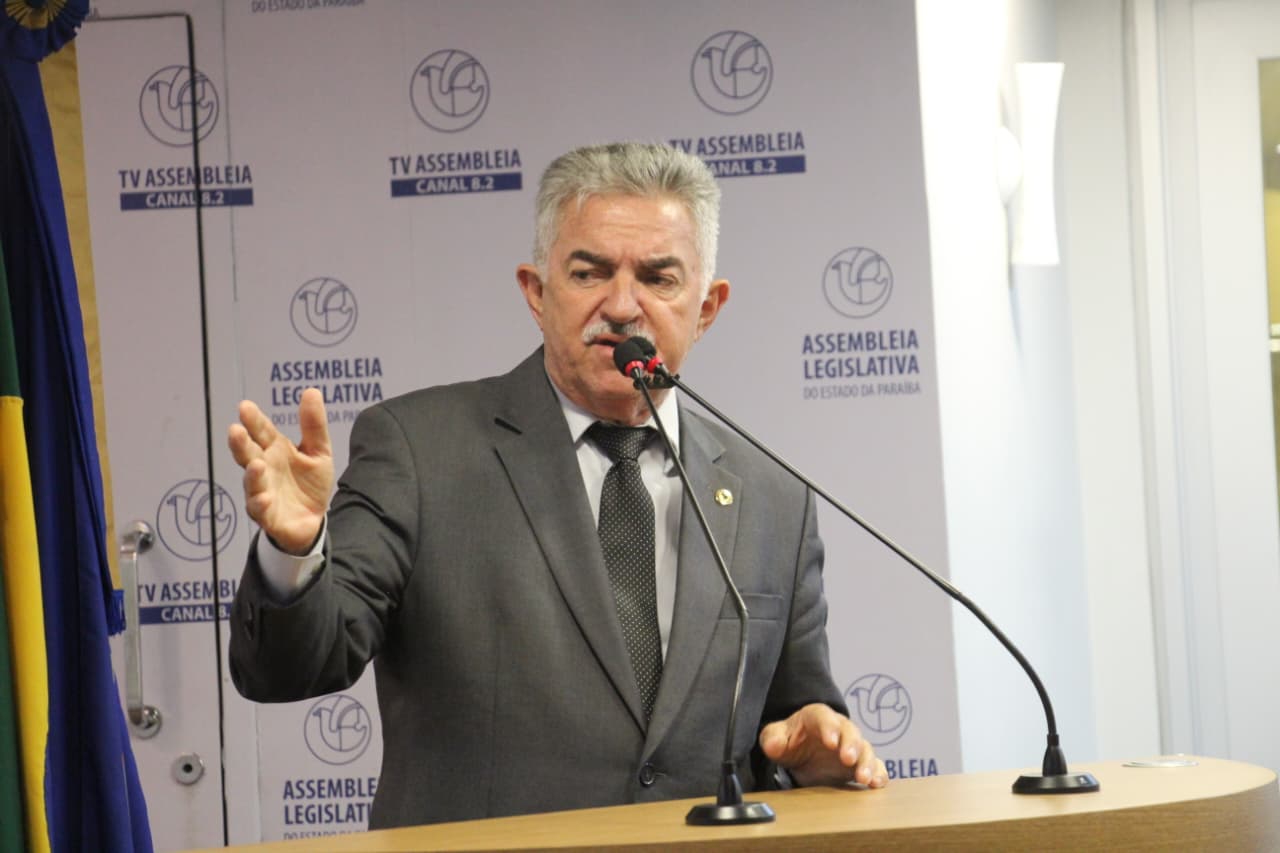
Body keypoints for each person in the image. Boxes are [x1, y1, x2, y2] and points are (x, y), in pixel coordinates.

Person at [227, 142, 887, 829]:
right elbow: (289, 669)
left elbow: (794, 720)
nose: (623, 306)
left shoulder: (771, 494)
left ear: (707, 307)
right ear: (537, 294)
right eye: (589, 272)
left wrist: (813, 748)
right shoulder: (422, 450)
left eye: (659, 277)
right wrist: (295, 550)